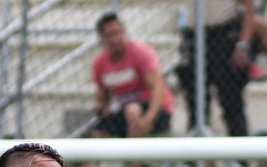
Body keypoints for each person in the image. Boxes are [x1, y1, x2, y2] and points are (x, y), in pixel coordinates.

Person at [177, 0, 257, 137]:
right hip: (194, 35)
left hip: (223, 35)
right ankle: (197, 154)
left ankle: (240, 154)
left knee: (231, 103)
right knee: (196, 105)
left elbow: (249, 8)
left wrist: (243, 44)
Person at [90, 12, 175, 139]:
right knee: (97, 134)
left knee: (133, 110)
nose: (115, 39)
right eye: (109, 35)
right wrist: (100, 108)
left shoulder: (141, 53)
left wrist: (148, 119)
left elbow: (158, 88)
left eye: (117, 33)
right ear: (101, 38)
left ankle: (135, 158)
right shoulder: (100, 64)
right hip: (124, 112)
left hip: (156, 111)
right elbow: (102, 97)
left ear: (124, 31)